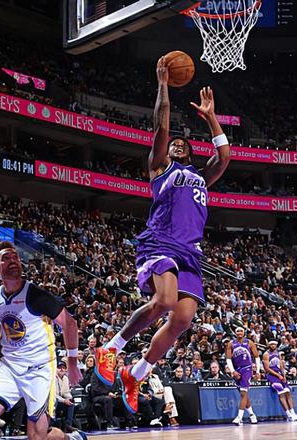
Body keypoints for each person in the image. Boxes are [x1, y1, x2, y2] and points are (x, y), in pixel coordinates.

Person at [93, 56, 231, 415]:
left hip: (190, 251)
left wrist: (211, 117)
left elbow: (224, 156)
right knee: (165, 301)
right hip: (161, 241)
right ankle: (111, 347)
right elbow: (161, 126)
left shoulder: (201, 176)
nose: (178, 144)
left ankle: (136, 374)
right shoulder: (160, 169)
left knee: (182, 320)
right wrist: (164, 86)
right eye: (174, 144)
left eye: (184, 144)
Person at [0, 241, 82, 440]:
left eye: (15, 257)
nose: (13, 260)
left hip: (39, 368)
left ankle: (70, 438)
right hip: (9, 366)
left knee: (37, 435)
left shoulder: (35, 294)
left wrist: (72, 362)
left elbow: (69, 324)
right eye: (6, 258)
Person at [263, 340, 297, 422]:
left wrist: (284, 375)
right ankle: (288, 415)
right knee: (281, 394)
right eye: (271, 344)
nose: (273, 346)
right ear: (269, 345)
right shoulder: (266, 354)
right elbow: (267, 368)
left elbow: (281, 365)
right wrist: (278, 375)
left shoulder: (278, 353)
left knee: (288, 392)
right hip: (272, 375)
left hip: (279, 374)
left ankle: (293, 413)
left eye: (274, 344)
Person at [227, 328, 260, 425]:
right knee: (244, 395)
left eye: (241, 331)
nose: (239, 333)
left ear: (244, 332)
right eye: (237, 331)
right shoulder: (231, 344)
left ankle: (239, 417)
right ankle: (252, 415)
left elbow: (257, 357)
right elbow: (228, 359)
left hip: (247, 369)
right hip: (237, 369)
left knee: (243, 393)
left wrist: (257, 371)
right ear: (235, 333)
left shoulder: (249, 342)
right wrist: (233, 371)